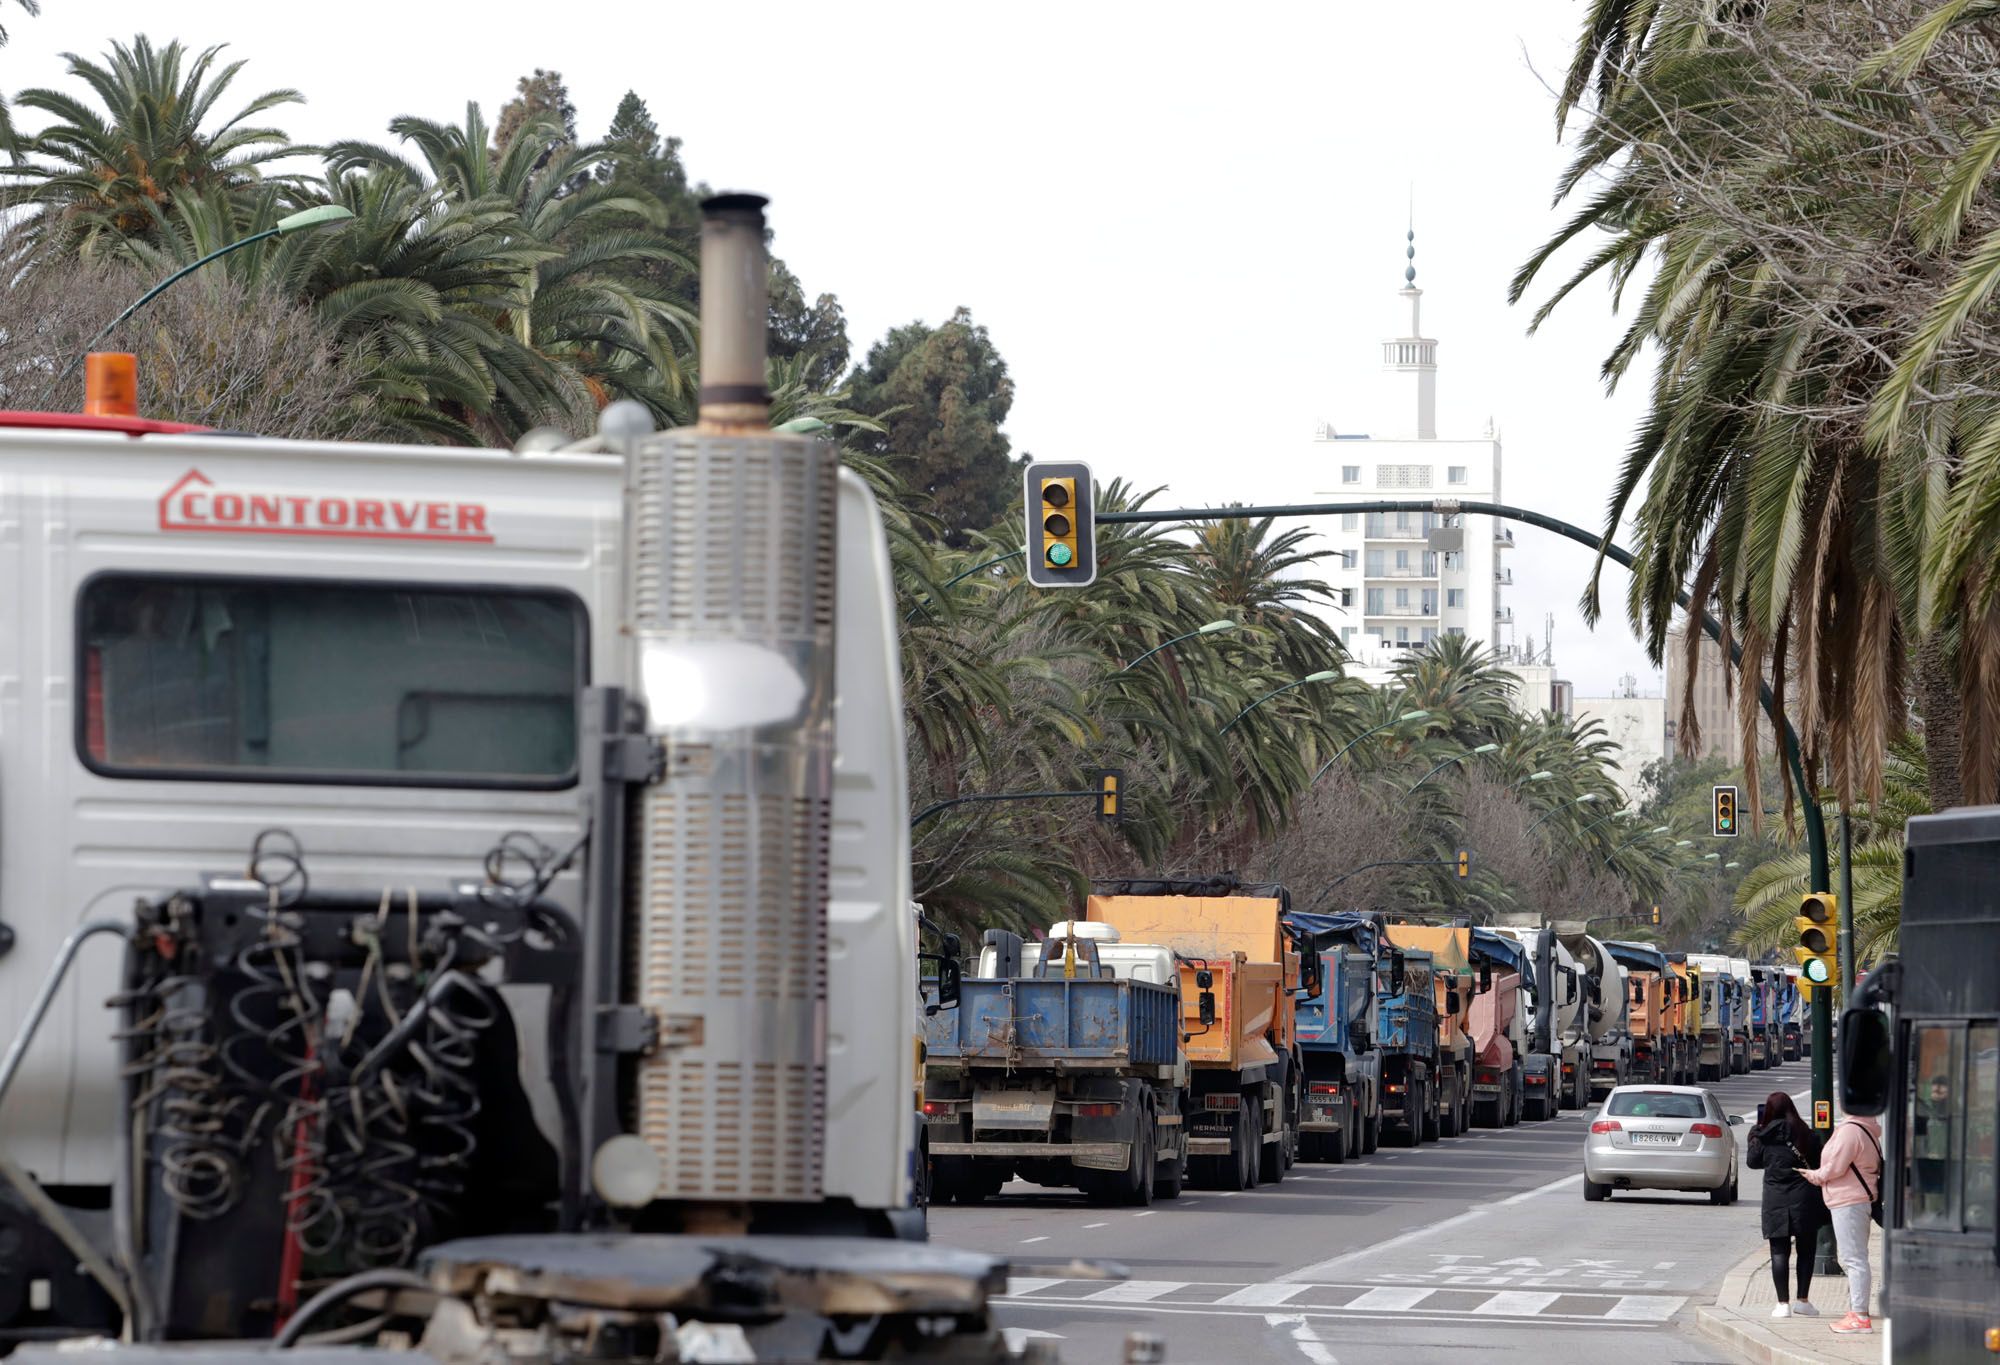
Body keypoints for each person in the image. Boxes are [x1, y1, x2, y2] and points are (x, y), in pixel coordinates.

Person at [1801, 1111, 1883, 1335]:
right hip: (1855, 1199)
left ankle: (1859, 1316)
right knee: (1855, 1257)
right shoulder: (1867, 1129)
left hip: (1849, 1199)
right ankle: (1856, 1311)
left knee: (1854, 1258)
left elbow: (1836, 1166)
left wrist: (1815, 1176)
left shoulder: (1851, 1130)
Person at [1747, 1092, 1827, 1318]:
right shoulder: (1805, 1134)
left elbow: (1753, 1162)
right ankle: (1803, 1300)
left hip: (1776, 1198)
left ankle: (1782, 1304)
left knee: (1779, 1251)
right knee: (1807, 1249)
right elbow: (1818, 1161)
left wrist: (1754, 1135)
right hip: (1804, 1198)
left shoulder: (1764, 1135)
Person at [1913, 1074, 1952, 1218]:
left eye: (1942, 1087)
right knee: (1932, 1205)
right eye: (1935, 1087)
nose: (1938, 1090)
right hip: (1929, 1163)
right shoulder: (1923, 1109)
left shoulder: (1953, 1109)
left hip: (1949, 1163)